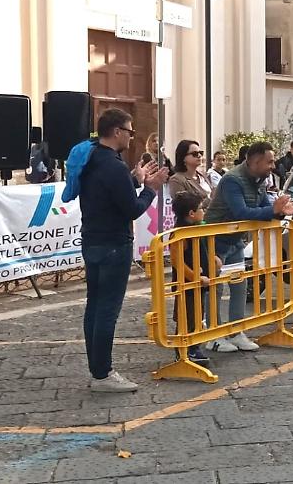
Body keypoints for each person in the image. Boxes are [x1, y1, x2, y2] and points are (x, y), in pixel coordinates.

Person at [79, 108, 170, 392]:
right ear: (117, 131)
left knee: (94, 306)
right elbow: (132, 209)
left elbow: (107, 194)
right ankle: (103, 374)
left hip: (92, 239)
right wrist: (151, 188)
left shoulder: (91, 158)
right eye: (130, 131)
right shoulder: (113, 165)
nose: (132, 136)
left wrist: (134, 178)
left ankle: (97, 370)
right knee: (107, 309)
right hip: (114, 245)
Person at [204, 141, 293, 352]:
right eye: (270, 162)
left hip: (235, 241)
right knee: (215, 288)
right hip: (215, 241)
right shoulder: (232, 180)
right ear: (255, 161)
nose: (273, 166)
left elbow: (265, 207)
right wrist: (274, 211)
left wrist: (281, 210)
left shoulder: (259, 179)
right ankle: (214, 336)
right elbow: (242, 212)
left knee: (239, 286)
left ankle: (236, 332)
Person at [171, 190, 216, 367]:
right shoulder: (180, 233)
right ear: (191, 213)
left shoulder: (195, 229)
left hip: (198, 284)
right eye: (200, 209)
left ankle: (194, 347)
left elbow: (202, 250)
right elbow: (176, 261)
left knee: (198, 316)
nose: (203, 212)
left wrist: (213, 259)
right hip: (187, 286)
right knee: (186, 317)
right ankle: (184, 351)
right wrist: (195, 276)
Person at [168, 140, 213, 208]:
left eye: (200, 153)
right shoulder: (176, 179)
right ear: (183, 157)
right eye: (194, 154)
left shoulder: (203, 175)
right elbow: (182, 205)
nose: (199, 156)